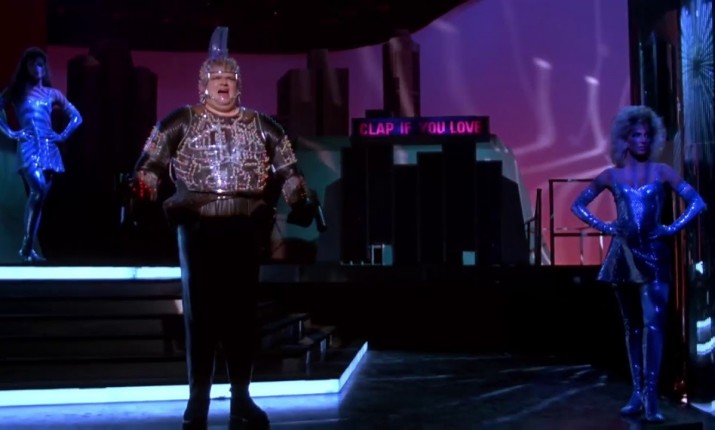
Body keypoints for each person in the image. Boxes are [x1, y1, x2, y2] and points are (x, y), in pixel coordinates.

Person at [131, 27, 318, 430]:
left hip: (245, 230)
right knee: (200, 316)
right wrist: (143, 188)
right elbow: (150, 163)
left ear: (239, 85)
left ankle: (241, 398)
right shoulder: (180, 121)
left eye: (230, 78)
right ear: (203, 84)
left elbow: (288, 170)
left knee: (242, 317)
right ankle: (198, 398)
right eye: (216, 77)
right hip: (197, 228)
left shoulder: (264, 125)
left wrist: (299, 197)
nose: (223, 83)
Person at [571, 105, 706, 423]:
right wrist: (606, 227)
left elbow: (697, 202)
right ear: (625, 138)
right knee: (632, 326)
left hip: (654, 254)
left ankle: (651, 396)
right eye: (636, 134)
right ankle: (637, 393)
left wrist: (670, 228)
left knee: (653, 324)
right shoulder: (611, 175)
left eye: (647, 134)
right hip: (623, 255)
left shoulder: (662, 172)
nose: (642, 139)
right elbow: (578, 205)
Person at [0, 47, 83, 263]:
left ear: (44, 68)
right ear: (25, 67)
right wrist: (11, 132)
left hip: (49, 147)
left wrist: (62, 135)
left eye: (40, 63)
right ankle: (26, 246)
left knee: (39, 201)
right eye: (32, 63)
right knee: (37, 191)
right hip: (29, 144)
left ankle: (27, 249)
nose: (37, 68)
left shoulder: (52, 93)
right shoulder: (17, 91)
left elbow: (77, 117)